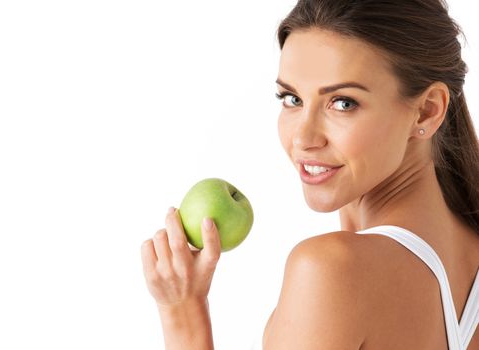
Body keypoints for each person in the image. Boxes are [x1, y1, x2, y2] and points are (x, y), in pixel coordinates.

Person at [140, 0, 479, 349]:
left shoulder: (331, 271)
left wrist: (182, 312)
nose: (303, 138)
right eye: (291, 99)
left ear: (426, 111)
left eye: (343, 103)